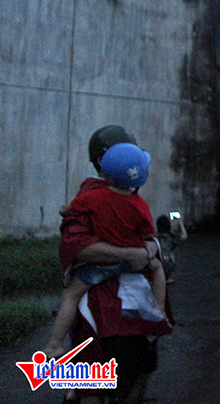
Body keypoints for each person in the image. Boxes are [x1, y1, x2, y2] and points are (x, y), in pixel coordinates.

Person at [58, 125, 172, 404]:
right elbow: (75, 245)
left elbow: (150, 240)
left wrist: (147, 249)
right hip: (100, 307)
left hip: (134, 304)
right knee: (93, 384)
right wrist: (129, 255)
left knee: (141, 370)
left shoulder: (125, 193)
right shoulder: (91, 197)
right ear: (103, 159)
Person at [43, 143, 167, 359]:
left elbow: (66, 210)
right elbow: (148, 233)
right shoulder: (139, 205)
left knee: (71, 295)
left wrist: (67, 209)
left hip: (99, 264)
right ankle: (159, 311)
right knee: (157, 268)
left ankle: (55, 344)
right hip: (131, 261)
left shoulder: (93, 198)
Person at [156, 212, 187, 284]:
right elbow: (184, 236)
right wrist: (180, 222)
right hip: (166, 262)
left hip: (156, 262)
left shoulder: (156, 236)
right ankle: (165, 278)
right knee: (171, 257)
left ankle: (157, 278)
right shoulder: (171, 236)